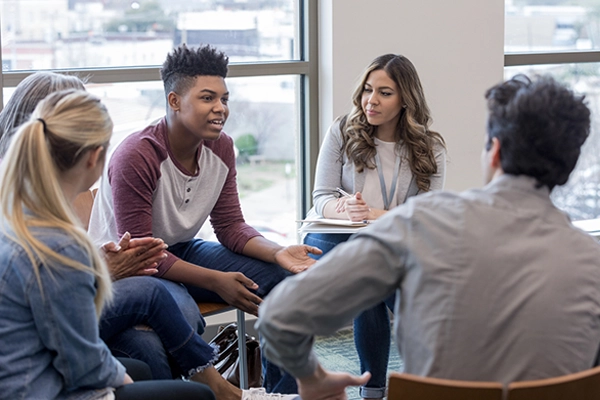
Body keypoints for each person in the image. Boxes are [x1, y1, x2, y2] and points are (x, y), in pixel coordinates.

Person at [256, 74, 600, 400]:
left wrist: (315, 379)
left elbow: (279, 318)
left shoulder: (420, 222)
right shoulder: (592, 260)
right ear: (567, 168)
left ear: (494, 151)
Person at [88, 43, 319, 396]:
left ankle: (281, 393)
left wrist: (277, 253)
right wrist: (216, 280)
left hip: (182, 250)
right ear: (174, 100)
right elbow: (143, 254)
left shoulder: (221, 147)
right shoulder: (137, 156)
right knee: (183, 318)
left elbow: (230, 226)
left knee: (284, 280)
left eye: (224, 99)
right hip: (132, 267)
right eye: (208, 98)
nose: (220, 109)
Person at [0, 89, 216, 399]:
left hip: (25, 369)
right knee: (195, 396)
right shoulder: (59, 244)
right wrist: (122, 383)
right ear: (94, 157)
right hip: (40, 387)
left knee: (142, 361)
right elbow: (81, 365)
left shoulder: (18, 212)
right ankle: (214, 386)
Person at [298, 54, 446, 399]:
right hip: (336, 235)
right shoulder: (341, 130)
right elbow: (321, 197)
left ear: (406, 99)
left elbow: (424, 213)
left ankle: (381, 390)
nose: (371, 100)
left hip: (390, 239)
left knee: (377, 279)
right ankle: (385, 389)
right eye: (367, 90)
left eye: (384, 93)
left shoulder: (430, 147)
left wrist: (377, 216)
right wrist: (344, 207)